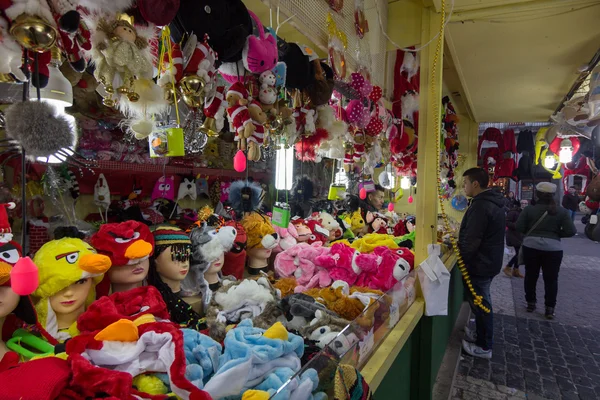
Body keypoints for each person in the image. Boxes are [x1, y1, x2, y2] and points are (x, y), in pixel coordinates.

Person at [458, 168, 506, 359]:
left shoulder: (481, 206)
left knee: (482, 303)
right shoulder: (488, 202)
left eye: (465, 183)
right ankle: (480, 335)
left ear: (475, 184)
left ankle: (484, 346)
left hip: (482, 263)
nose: (464, 187)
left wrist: (462, 256)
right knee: (480, 302)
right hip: (488, 261)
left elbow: (472, 241)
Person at [517, 182, 576, 319]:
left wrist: (531, 234)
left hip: (531, 246)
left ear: (537, 194)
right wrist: (556, 235)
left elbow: (519, 227)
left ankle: (530, 303)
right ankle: (549, 308)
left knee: (531, 276)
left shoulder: (529, 210)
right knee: (551, 279)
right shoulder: (561, 211)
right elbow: (571, 231)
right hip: (553, 248)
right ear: (553, 195)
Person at [503, 199, 528, 278]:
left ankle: (515, 269)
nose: (524, 204)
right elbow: (507, 222)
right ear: (520, 204)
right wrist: (516, 225)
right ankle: (508, 267)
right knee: (519, 253)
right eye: (522, 203)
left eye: (526, 203)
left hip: (522, 236)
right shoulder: (513, 212)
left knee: (521, 253)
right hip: (514, 235)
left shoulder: (527, 212)